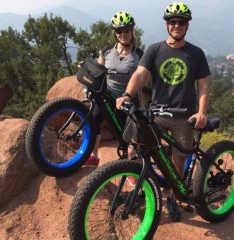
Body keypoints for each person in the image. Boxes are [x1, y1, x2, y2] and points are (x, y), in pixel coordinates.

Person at [116, 2, 210, 221]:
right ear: (167, 25)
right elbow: (140, 75)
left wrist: (202, 112)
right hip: (156, 114)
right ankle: (140, 189)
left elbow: (203, 86)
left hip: (183, 116)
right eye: (173, 22)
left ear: (187, 25)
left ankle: (173, 197)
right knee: (135, 148)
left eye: (181, 22)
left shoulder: (196, 53)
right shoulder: (155, 49)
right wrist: (127, 95)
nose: (177, 25)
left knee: (178, 158)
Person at [85, 11, 144, 166]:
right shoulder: (106, 51)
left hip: (128, 101)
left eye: (126, 30)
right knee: (93, 120)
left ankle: (132, 168)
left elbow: (142, 82)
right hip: (108, 97)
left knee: (130, 138)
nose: (123, 34)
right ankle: (94, 156)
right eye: (119, 31)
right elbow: (98, 72)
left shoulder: (139, 55)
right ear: (115, 33)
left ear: (132, 31)